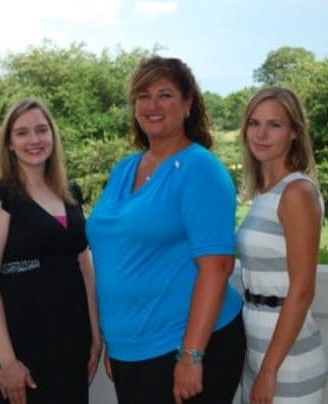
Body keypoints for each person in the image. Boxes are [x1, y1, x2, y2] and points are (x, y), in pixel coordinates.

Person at [85, 55, 246, 404]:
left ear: (188, 103)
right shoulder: (125, 169)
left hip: (183, 348)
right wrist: (117, 340)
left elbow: (217, 269)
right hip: (132, 351)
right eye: (143, 96)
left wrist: (192, 356)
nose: (152, 105)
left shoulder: (200, 170)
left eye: (165, 94)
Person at [0, 97, 102, 404]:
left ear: (53, 137)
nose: (34, 140)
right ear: (10, 144)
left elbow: (85, 267)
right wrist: (7, 361)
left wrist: (95, 335)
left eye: (42, 130)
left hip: (72, 337)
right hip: (23, 342)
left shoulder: (70, 193)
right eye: (22, 132)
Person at [236, 86, 328, 404]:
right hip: (258, 351)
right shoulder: (265, 192)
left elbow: (302, 289)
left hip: (287, 364)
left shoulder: (296, 192)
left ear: (293, 133)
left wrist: (269, 371)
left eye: (274, 125)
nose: (261, 134)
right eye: (254, 123)